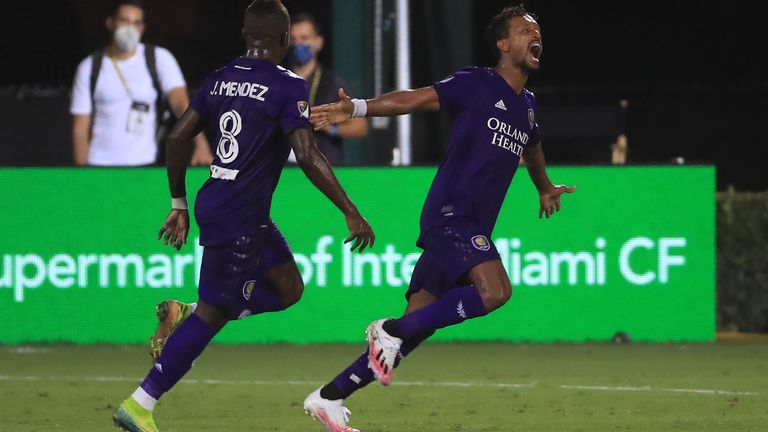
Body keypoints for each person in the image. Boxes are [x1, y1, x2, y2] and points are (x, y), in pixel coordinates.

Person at [302, 5, 575, 431]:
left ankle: (329, 397)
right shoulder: (477, 82)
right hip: (452, 215)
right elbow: (415, 98)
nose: (534, 37)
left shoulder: (528, 106)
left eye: (537, 31)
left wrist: (543, 185)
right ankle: (388, 328)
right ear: (503, 44)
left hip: (470, 226)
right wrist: (356, 108)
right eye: (524, 30)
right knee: (496, 291)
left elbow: (533, 147)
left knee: (417, 328)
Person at [111, 1, 375, 431]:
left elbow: (178, 137)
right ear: (285, 39)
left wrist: (178, 203)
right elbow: (306, 154)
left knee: (289, 288)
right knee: (213, 318)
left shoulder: (219, 79)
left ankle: (188, 310)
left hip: (231, 208)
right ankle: (140, 404)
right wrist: (351, 211)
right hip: (239, 216)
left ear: (246, 35)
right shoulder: (288, 85)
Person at [70, 0, 212, 167]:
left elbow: (181, 104)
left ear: (143, 28)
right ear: (111, 22)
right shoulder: (90, 67)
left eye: (136, 22)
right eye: (124, 20)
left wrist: (201, 144)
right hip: (100, 165)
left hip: (145, 165)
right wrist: (83, 173)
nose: (130, 28)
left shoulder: (159, 59)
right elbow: (80, 129)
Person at [286, 13, 368, 165]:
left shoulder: (332, 84)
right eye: (293, 39)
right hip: (286, 171)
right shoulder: (279, 80)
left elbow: (360, 127)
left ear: (318, 42)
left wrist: (331, 129)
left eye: (304, 38)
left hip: (325, 166)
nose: (298, 44)